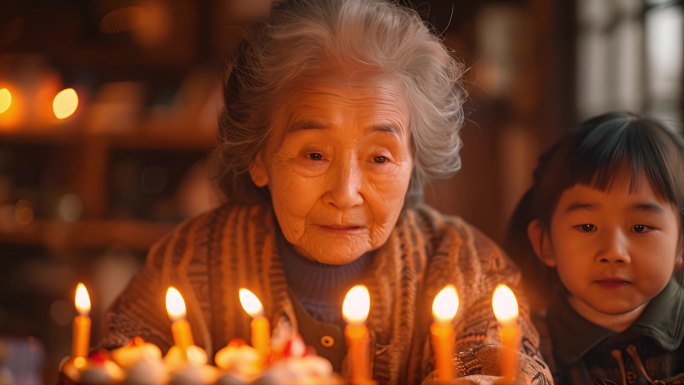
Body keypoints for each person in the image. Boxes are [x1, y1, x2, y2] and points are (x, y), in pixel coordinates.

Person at [101, 0, 551, 383]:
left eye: (379, 158)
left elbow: (505, 365)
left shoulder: (465, 268)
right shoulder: (194, 261)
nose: (346, 193)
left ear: (414, 163)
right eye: (314, 155)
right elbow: (117, 358)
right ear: (260, 158)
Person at [505, 111, 684, 385]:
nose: (613, 252)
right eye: (587, 227)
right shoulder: (526, 345)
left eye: (640, 228)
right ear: (545, 243)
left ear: (681, 243)